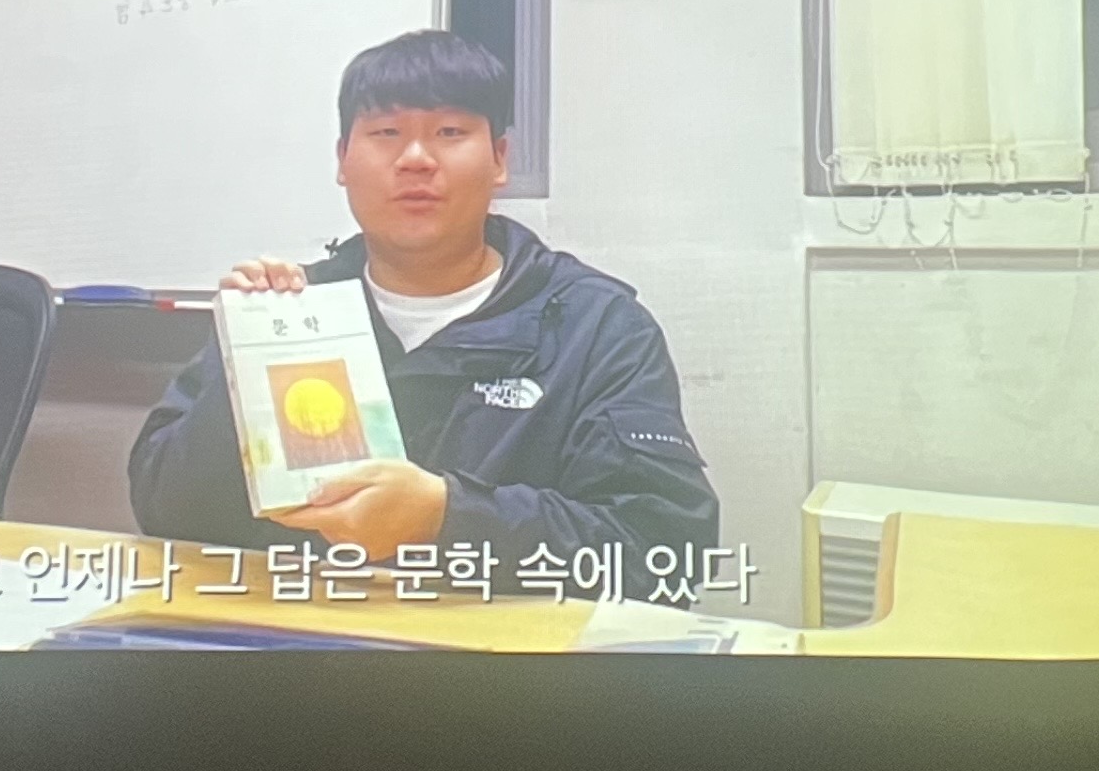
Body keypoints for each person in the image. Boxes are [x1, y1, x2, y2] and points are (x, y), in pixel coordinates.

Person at [125, 29, 718, 566]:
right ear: (342, 160)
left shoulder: (596, 326)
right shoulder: (290, 310)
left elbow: (666, 549)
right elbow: (166, 515)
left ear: (500, 160)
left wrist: (447, 517)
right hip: (290, 634)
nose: (415, 159)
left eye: (450, 133)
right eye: (386, 134)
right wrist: (248, 362)